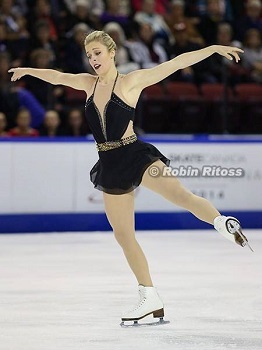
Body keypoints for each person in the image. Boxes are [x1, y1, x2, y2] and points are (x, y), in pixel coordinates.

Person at [8, 30, 251, 326]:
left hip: (136, 155)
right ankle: (150, 297)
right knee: (124, 235)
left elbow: (174, 64)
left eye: (98, 53)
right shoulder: (87, 83)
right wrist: (27, 70)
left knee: (181, 196)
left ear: (112, 53)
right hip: (109, 163)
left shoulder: (130, 81)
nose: (93, 59)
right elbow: (58, 77)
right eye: (89, 55)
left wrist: (211, 47)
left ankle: (221, 222)